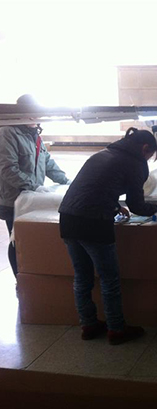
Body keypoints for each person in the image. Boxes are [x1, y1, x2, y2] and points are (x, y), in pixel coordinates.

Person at [59, 127, 157, 345]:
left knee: (82, 277)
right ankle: (116, 329)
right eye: (150, 155)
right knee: (109, 279)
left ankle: (88, 325)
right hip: (94, 222)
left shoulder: (103, 154)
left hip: (68, 218)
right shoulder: (135, 163)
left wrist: (116, 206)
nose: (148, 159)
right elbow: (137, 205)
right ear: (145, 148)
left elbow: (95, 187)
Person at [0, 94, 70, 277]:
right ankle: (20, 280)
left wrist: (67, 181)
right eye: (33, 113)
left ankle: (30, 275)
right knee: (16, 240)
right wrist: (34, 186)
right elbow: (8, 169)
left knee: (29, 239)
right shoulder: (7, 133)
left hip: (32, 199)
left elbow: (47, 162)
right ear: (22, 113)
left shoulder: (34, 134)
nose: (37, 117)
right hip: (14, 200)